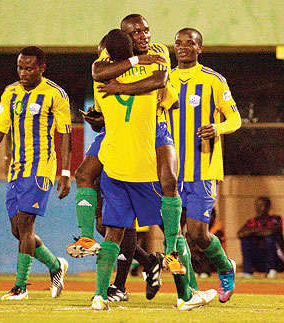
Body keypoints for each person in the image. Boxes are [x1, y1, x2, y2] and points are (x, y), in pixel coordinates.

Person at [90, 29, 216, 311]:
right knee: (173, 235)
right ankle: (185, 296)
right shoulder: (152, 79)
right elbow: (164, 83)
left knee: (113, 234)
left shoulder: (101, 82)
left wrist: (118, 87)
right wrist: (140, 66)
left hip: (112, 169)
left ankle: (100, 295)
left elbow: (99, 76)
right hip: (143, 169)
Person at [0, 46, 71, 300]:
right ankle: (55, 266)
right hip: (16, 168)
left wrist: (64, 171)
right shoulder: (11, 92)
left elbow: (65, 135)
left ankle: (20, 288)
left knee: (26, 225)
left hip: (41, 168)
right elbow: (0, 126)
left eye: (29, 68)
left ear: (42, 68)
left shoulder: (55, 94)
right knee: (17, 231)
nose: (23, 72)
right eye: (20, 67)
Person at [166, 28, 242, 303]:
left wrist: (217, 128)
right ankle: (189, 289)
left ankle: (225, 267)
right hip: (170, 171)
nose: (183, 47)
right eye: (178, 43)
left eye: (190, 43)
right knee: (174, 233)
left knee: (197, 233)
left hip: (203, 169)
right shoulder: (165, 79)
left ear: (200, 48)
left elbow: (235, 119)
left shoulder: (212, 80)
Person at [237, 196, 284, 278]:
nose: (258, 208)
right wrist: (259, 231)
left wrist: (252, 231)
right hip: (259, 258)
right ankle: (247, 271)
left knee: (269, 239)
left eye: (261, 205)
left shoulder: (275, 219)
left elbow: (270, 231)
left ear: (268, 207)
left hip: (276, 259)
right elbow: (240, 234)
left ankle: (271, 270)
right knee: (245, 240)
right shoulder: (252, 221)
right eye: (256, 205)